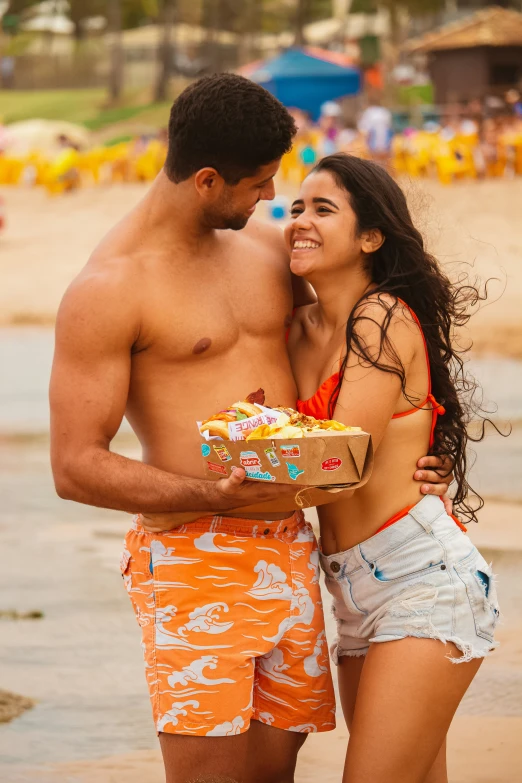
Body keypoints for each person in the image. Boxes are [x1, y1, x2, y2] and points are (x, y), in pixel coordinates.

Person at [50, 75, 451, 783]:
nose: (271, 199)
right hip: (194, 557)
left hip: (297, 550)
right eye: (259, 184)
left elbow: (377, 335)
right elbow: (75, 464)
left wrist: (420, 447)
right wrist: (211, 493)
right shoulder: (110, 290)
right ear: (207, 180)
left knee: (273, 770)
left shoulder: (269, 251)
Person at [285, 153, 500, 783]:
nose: (301, 218)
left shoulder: (380, 319)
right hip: (350, 593)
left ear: (371, 237)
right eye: (296, 206)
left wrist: (229, 478)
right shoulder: (296, 330)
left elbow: (343, 463)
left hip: (420, 579)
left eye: (324, 208)